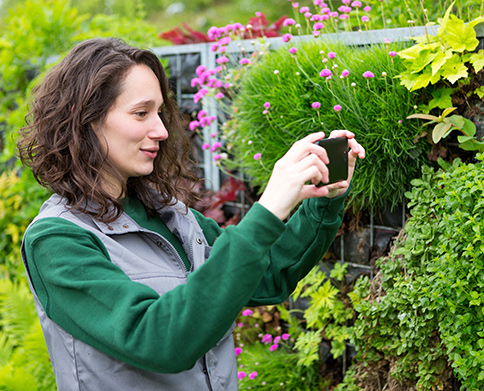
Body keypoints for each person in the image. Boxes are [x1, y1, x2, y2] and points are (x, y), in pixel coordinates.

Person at [17, 37, 365, 391]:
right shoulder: (58, 241)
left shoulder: (170, 215)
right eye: (141, 113)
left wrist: (324, 199)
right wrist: (268, 207)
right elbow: (161, 340)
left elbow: (268, 274)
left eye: (159, 112)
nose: (162, 130)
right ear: (87, 120)